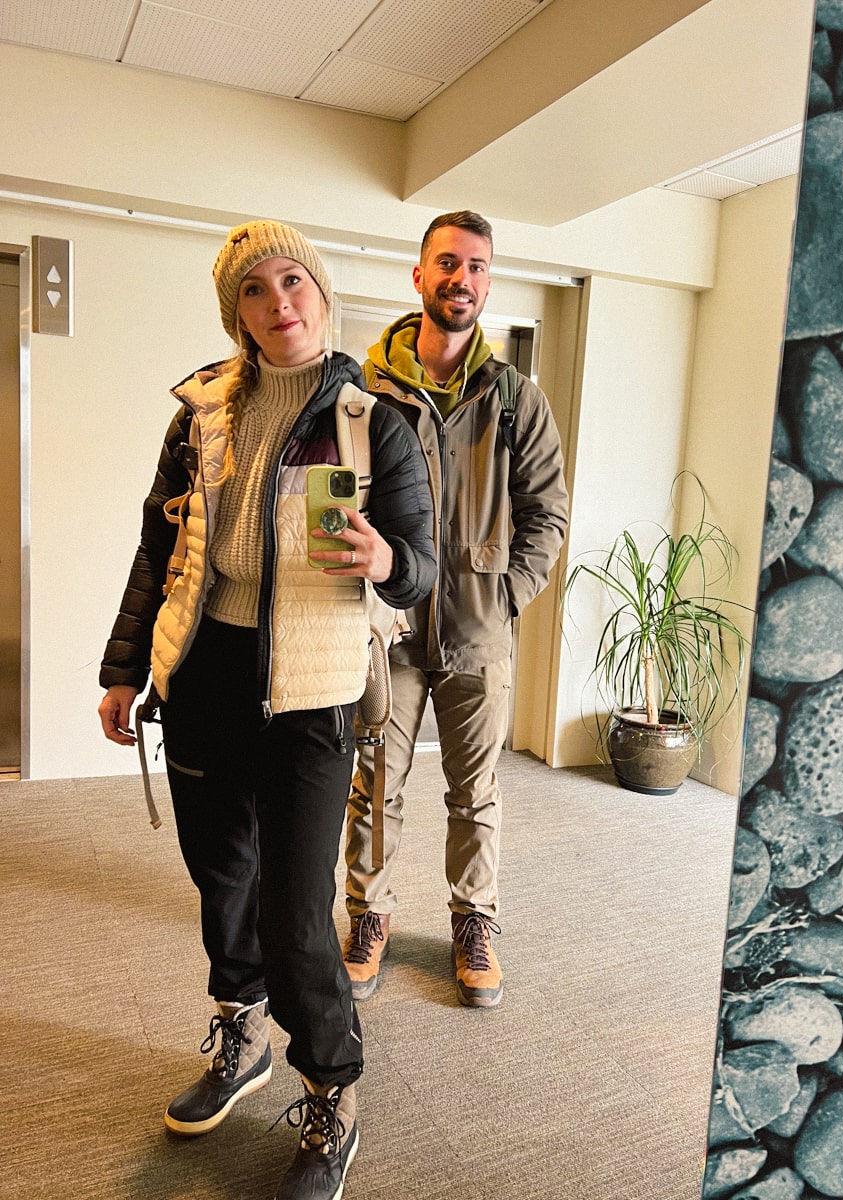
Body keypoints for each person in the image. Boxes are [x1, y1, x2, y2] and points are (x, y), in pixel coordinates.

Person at [98, 220, 436, 1200]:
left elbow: (418, 565)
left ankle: (332, 1086)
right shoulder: (200, 413)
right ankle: (240, 1039)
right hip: (204, 673)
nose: (277, 300)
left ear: (322, 294)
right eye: (253, 288)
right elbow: (156, 554)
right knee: (223, 884)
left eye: (293, 279)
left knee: (296, 912)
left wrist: (386, 561)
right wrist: (128, 666)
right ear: (234, 311)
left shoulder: (375, 421)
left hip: (313, 689)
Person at [342, 210, 568, 1008]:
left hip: (478, 629)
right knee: (375, 781)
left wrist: (502, 594)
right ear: (419, 275)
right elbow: (333, 499)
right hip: (385, 627)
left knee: (476, 791)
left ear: (487, 281)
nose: (460, 279)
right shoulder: (364, 392)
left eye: (475, 267)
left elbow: (549, 517)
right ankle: (368, 915)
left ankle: (474, 922)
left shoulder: (514, 398)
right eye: (446, 263)